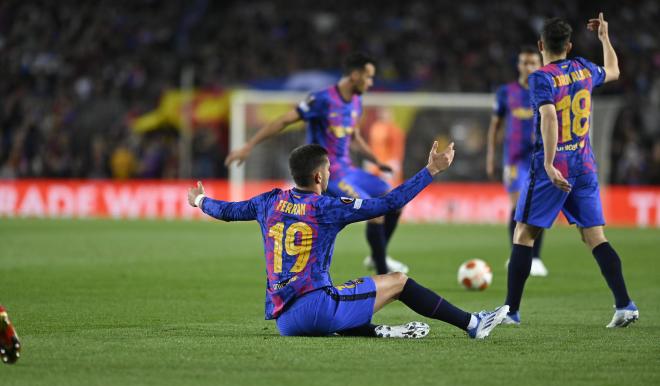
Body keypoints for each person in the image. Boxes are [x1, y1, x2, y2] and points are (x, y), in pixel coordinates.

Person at [192, 141, 509, 338]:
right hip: (316, 311)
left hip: (284, 320)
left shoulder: (268, 202)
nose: (330, 174)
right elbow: (388, 203)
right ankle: (472, 324)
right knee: (398, 281)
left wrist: (201, 201)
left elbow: (228, 211)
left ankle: (377, 332)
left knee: (348, 290)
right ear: (319, 176)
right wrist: (430, 170)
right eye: (328, 169)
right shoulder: (326, 207)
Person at [503, 14, 639, 327]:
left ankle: (510, 312)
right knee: (595, 236)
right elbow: (615, 71)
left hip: (554, 167)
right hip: (585, 163)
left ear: (540, 46)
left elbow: (549, 118)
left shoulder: (541, 77)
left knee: (524, 234)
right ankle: (625, 305)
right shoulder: (583, 68)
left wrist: (549, 163)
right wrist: (605, 38)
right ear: (570, 45)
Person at [225, 52, 408, 276]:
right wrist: (249, 145)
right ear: (354, 75)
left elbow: (354, 137)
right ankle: (383, 273)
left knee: (395, 202)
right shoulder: (322, 100)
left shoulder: (357, 101)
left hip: (348, 170)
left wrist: (376, 160)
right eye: (368, 77)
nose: (371, 83)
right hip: (327, 172)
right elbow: (284, 120)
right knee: (375, 212)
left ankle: (377, 255)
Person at [486, 47, 549, 277]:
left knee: (538, 207)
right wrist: (490, 156)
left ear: (539, 64)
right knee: (518, 207)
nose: (528, 67)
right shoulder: (506, 92)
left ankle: (536, 258)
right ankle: (518, 255)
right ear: (519, 65)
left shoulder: (546, 88)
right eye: (524, 62)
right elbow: (495, 126)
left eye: (533, 62)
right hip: (513, 159)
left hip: (540, 157)